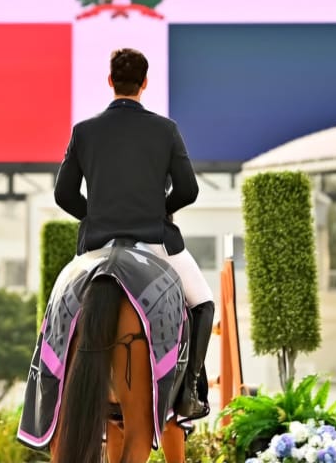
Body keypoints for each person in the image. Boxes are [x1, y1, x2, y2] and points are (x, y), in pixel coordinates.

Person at [53, 47, 214, 419]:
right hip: (155, 242)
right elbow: (189, 190)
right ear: (145, 83)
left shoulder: (84, 131)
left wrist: (96, 219)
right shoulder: (165, 130)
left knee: (59, 305)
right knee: (203, 303)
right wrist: (158, 212)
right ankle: (189, 391)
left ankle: (50, 392)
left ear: (111, 81)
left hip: (97, 247)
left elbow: (64, 194)